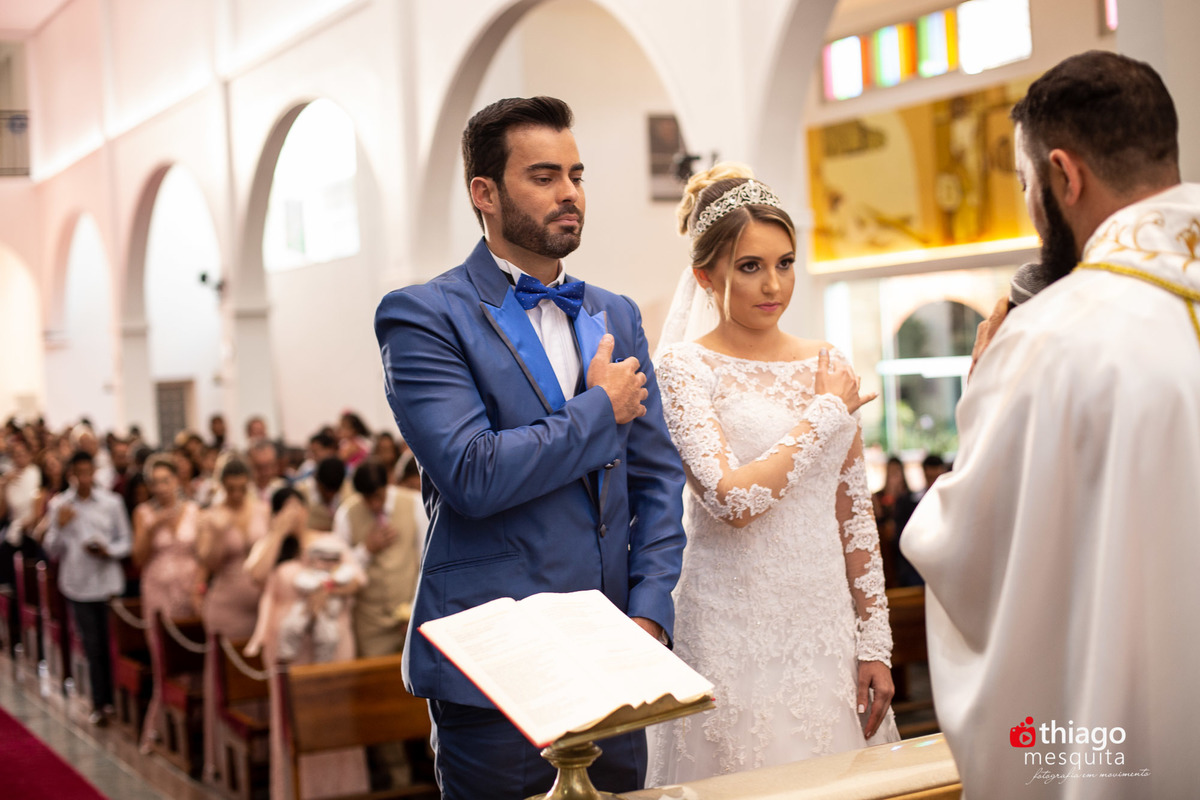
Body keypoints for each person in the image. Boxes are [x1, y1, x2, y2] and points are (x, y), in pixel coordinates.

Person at [901, 51, 1200, 798]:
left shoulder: (1049, 339)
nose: (1035, 204)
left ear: (1064, 177)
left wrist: (985, 391)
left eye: (1028, 184)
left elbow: (964, 548)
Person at [374, 95, 687, 799]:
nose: (570, 193)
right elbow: (473, 473)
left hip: (616, 658)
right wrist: (598, 411)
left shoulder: (616, 313)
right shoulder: (423, 315)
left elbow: (658, 481)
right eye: (543, 177)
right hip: (498, 666)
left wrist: (648, 610)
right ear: (484, 193)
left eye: (576, 174)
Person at [647, 164, 897, 783]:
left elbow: (855, 516)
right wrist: (822, 414)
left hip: (823, 627)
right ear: (707, 275)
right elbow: (731, 500)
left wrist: (874, 643)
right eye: (750, 266)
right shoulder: (682, 368)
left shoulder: (828, 361)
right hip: (732, 629)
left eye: (784, 263)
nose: (773, 284)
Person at [244, 488, 369, 800]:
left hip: (332, 638)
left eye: (295, 507)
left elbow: (357, 579)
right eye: (283, 509)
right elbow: (255, 576)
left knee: (335, 716)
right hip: (289, 648)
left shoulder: (327, 541)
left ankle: (343, 790)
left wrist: (327, 587)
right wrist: (278, 533)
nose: (292, 514)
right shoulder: (271, 547)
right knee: (295, 721)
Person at [42, 450, 132, 726]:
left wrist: (109, 550)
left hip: (107, 582)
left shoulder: (111, 502)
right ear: (71, 475)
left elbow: (126, 540)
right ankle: (99, 703)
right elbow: (51, 549)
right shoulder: (60, 505)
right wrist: (59, 525)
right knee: (92, 645)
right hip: (78, 584)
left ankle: (118, 702)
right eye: (78, 473)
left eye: (88, 472)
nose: (84, 478)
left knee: (111, 644)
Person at [195, 457, 269, 783]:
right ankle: (226, 756)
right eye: (231, 488)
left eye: (242, 488)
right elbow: (205, 564)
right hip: (226, 607)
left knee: (260, 675)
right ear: (221, 485)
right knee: (228, 680)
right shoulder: (211, 516)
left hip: (261, 607)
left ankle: (263, 756)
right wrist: (217, 531)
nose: (237, 494)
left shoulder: (262, 509)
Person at [132, 454, 201, 753]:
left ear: (177, 481)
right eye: (155, 482)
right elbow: (138, 558)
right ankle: (159, 727)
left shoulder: (194, 511)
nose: (161, 487)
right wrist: (152, 527)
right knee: (164, 659)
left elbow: (202, 552)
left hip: (188, 590)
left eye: (166, 480)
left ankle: (192, 727)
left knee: (192, 656)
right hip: (158, 590)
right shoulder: (143, 513)